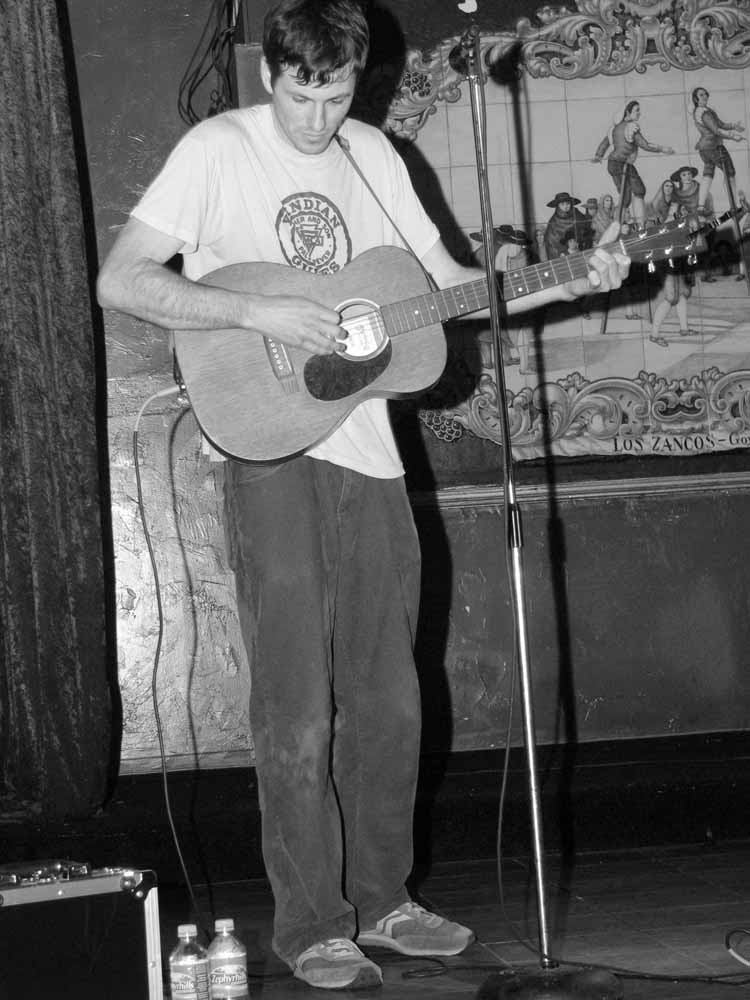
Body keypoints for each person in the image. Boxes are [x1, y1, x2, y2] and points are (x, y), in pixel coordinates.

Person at [96, 0, 629, 990]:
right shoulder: (218, 151)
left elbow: (449, 284)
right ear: (270, 76)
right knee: (296, 704)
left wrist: (569, 281)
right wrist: (259, 311)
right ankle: (312, 925)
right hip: (270, 451)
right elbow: (121, 281)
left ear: (358, 80)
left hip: (372, 457)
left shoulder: (377, 157)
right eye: (299, 96)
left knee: (390, 700)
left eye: (336, 96)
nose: (316, 119)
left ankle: (385, 901)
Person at [592, 100, 674, 228]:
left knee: (627, 196)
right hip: (622, 164)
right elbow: (645, 145)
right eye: (636, 110)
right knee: (638, 191)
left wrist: (598, 155)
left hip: (613, 164)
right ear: (627, 112)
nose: (639, 113)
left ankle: (620, 225)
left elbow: (605, 142)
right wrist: (662, 149)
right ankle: (639, 225)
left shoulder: (615, 128)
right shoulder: (631, 127)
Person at [691, 86, 745, 212]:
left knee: (708, 173)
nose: (705, 96)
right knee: (730, 172)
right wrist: (733, 136)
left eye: (705, 94)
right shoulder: (704, 113)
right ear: (696, 99)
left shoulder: (704, 110)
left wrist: (734, 126)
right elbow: (716, 130)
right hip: (714, 147)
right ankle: (734, 205)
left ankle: (700, 206)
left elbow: (720, 124)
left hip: (704, 149)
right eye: (701, 95)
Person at [543, 191, 589, 261]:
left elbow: (587, 232)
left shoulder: (578, 215)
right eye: (562, 204)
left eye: (568, 203)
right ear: (558, 206)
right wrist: (563, 252)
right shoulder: (553, 222)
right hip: (562, 257)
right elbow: (551, 242)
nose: (565, 206)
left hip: (580, 253)